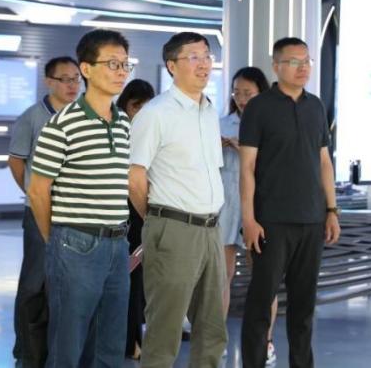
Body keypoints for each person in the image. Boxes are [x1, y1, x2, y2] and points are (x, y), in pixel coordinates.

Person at [28, 29, 133, 368]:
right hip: (76, 243)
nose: (121, 72)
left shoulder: (123, 122)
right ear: (86, 69)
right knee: (68, 345)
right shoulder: (62, 125)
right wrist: (56, 240)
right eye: (112, 64)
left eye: (125, 64)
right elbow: (38, 190)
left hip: (118, 243)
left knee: (111, 344)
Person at [239, 38, 341, 368]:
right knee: (260, 303)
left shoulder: (316, 106)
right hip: (271, 221)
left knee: (304, 307)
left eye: (307, 61)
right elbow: (247, 167)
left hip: (312, 220)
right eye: (294, 62)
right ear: (276, 66)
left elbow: (324, 162)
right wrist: (249, 219)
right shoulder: (259, 107)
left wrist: (331, 210)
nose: (303, 68)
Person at [128, 32, 226, 368]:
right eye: (194, 57)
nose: (204, 64)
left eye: (207, 56)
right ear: (172, 66)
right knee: (165, 329)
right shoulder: (156, 113)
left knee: (212, 328)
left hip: (211, 229)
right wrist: (158, 220)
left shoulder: (208, 111)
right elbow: (134, 177)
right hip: (173, 228)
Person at [8, 56, 82, 367]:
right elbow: (16, 162)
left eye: (76, 78)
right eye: (65, 79)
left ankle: (56, 349)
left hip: (75, 213)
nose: (72, 85)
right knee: (34, 281)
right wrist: (33, 194)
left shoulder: (84, 115)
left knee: (68, 284)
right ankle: (26, 349)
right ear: (49, 81)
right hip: (39, 211)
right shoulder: (32, 117)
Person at [220, 67, 277, 365]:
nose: (241, 98)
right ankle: (217, 339)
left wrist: (244, 149)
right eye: (236, 92)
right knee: (222, 276)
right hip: (226, 206)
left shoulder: (272, 123)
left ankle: (265, 341)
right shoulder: (221, 123)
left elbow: (277, 163)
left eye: (248, 93)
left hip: (260, 208)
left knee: (264, 278)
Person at [115, 79, 156, 361]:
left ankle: (135, 340)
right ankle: (131, 342)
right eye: (135, 106)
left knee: (139, 282)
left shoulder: (154, 132)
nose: (140, 112)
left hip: (147, 214)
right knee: (127, 281)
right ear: (125, 106)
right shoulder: (119, 133)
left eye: (145, 106)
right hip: (125, 215)